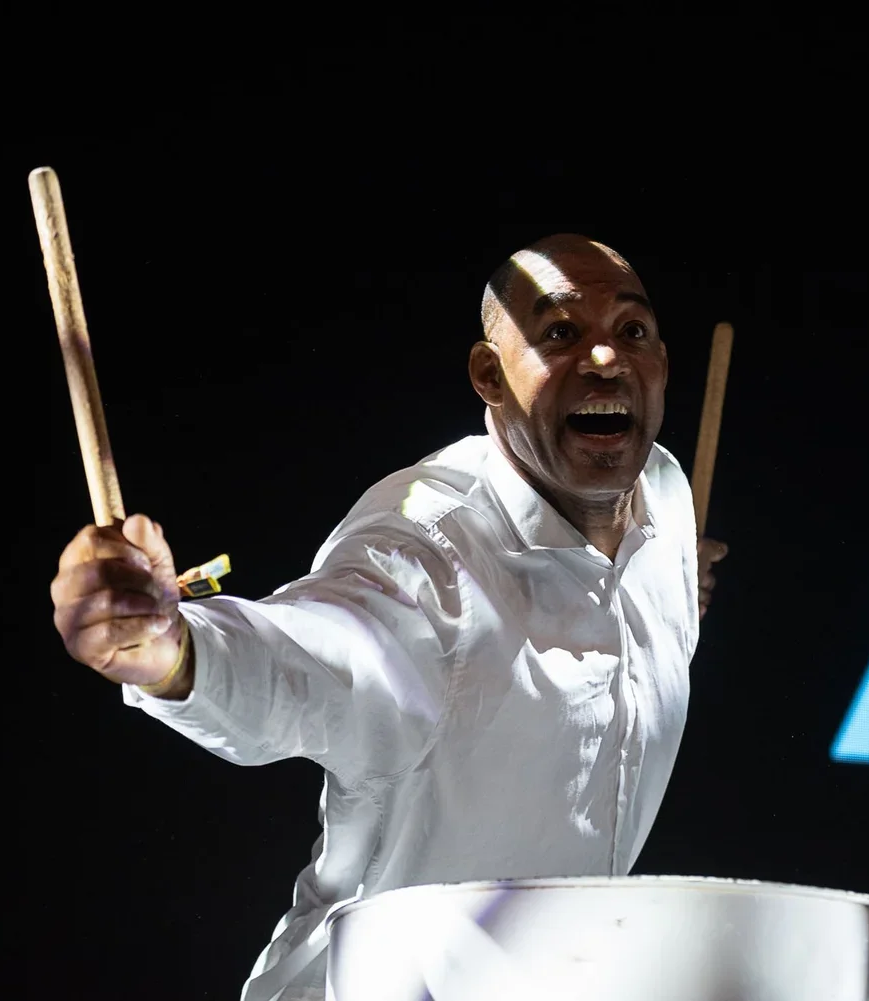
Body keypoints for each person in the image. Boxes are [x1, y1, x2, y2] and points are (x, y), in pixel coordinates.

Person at [49, 234, 729, 1001]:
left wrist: (673, 588)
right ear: (489, 375)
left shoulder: (665, 497)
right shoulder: (428, 552)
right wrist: (172, 649)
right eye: (561, 333)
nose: (605, 360)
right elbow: (322, 653)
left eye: (630, 332)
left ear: (663, 366)